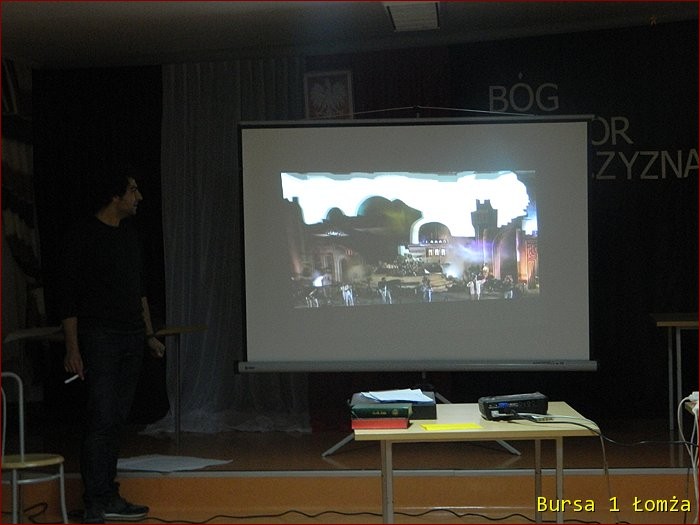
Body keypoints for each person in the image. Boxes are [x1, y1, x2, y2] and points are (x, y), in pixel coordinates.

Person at [58, 165, 165, 524]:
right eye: (133, 190)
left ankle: (108, 494)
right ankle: (95, 500)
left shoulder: (131, 237)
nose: (139, 197)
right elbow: (68, 298)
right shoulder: (82, 236)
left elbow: (139, 291)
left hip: (131, 336)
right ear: (114, 196)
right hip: (100, 337)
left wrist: (149, 335)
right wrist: (73, 348)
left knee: (116, 420)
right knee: (101, 417)